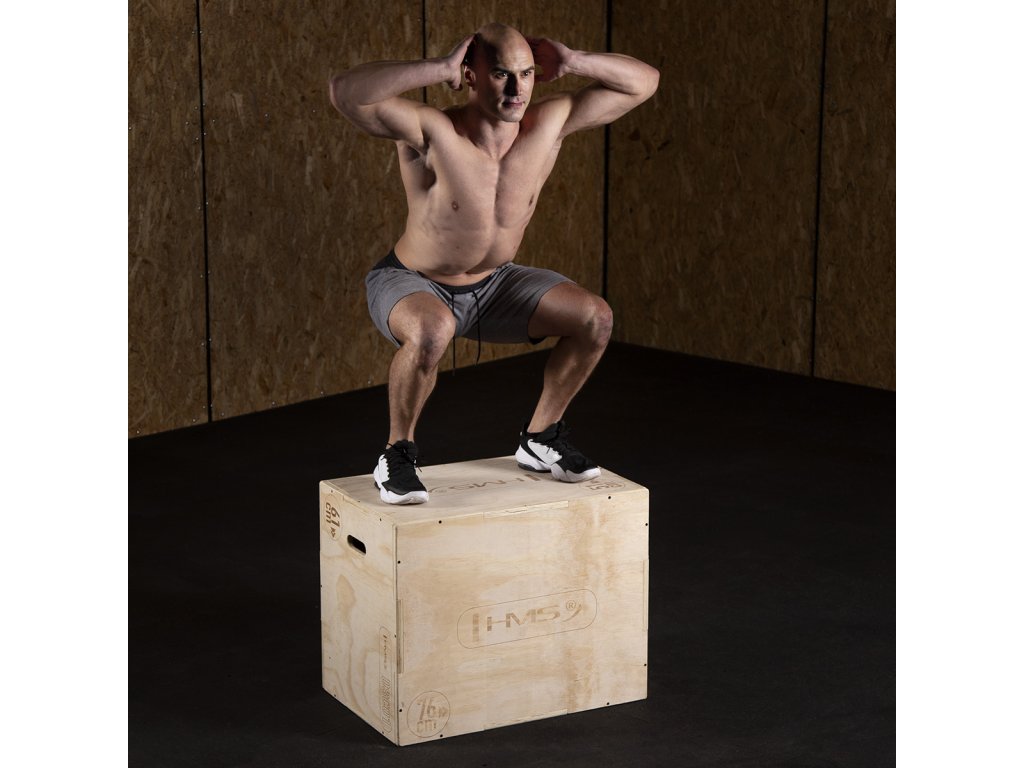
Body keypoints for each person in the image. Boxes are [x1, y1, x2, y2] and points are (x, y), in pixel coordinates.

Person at [328, 22, 658, 504]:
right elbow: (345, 93)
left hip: (495, 283)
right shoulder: (432, 130)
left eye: (526, 74)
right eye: (502, 74)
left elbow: (644, 82)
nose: (516, 89)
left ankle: (540, 436)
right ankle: (396, 454)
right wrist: (437, 68)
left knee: (595, 318)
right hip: (412, 280)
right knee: (433, 330)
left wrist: (574, 61)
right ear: (471, 76)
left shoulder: (548, 124)